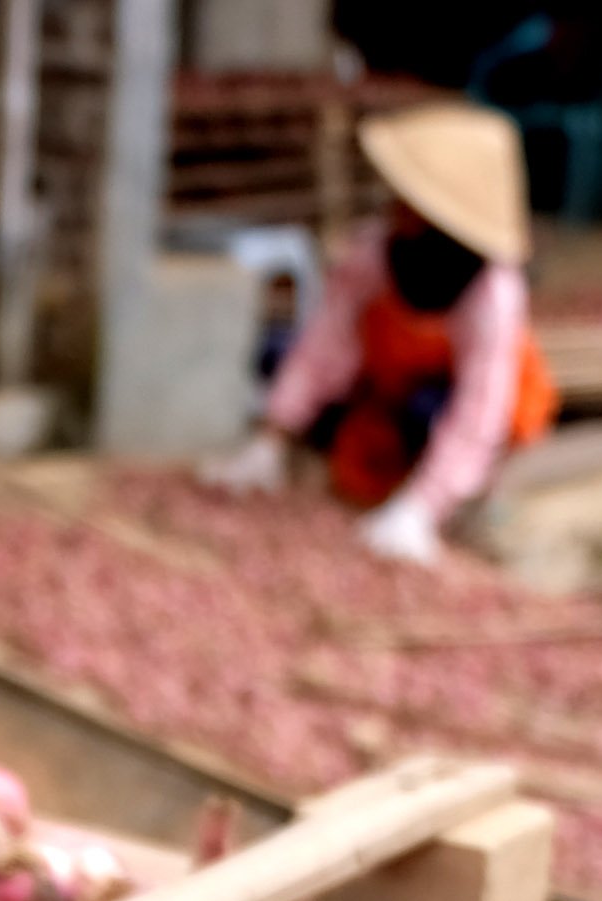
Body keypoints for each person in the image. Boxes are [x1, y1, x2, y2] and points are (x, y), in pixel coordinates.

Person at [209, 102, 557, 565]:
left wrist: (424, 506)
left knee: (428, 414)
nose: (396, 205)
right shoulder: (378, 251)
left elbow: (480, 409)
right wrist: (274, 433)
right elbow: (324, 340)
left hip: (445, 402)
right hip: (390, 382)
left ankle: (432, 490)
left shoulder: (492, 293)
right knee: (278, 352)